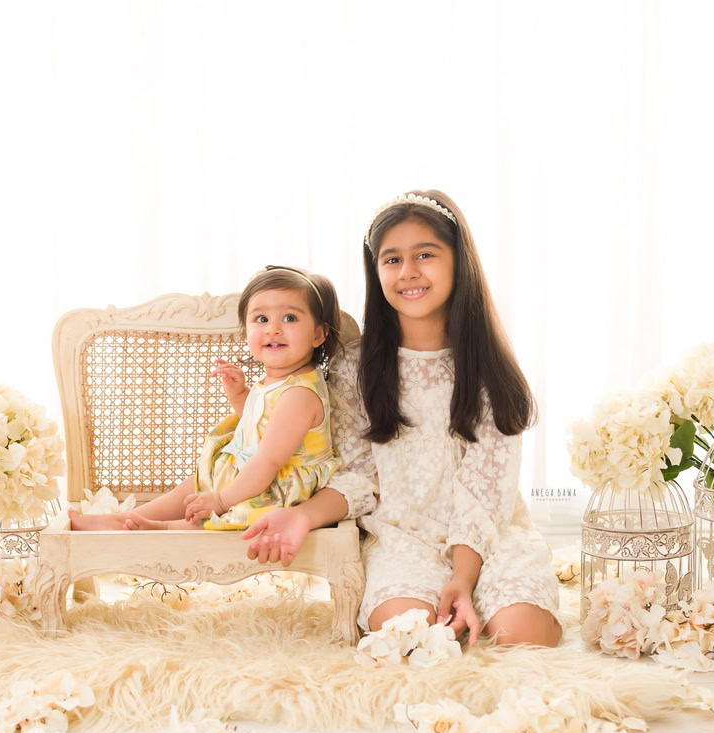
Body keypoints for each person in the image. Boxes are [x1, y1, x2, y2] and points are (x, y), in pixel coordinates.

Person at [241, 191, 562, 648]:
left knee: (524, 635)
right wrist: (300, 516)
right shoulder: (356, 367)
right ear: (376, 271)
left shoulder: (488, 367)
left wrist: (463, 581)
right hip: (400, 539)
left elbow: (485, 489)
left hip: (488, 536)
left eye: (425, 255)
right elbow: (359, 478)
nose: (408, 271)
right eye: (391, 259)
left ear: (459, 261)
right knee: (406, 636)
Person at [68, 265, 343, 532]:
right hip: (252, 473)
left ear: (318, 334)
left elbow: (269, 460)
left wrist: (221, 500)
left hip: (279, 488)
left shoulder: (299, 394)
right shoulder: (281, 379)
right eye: (261, 319)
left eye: (290, 318)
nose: (273, 329)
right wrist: (240, 394)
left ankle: (161, 527)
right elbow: (261, 422)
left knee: (225, 511)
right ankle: (129, 519)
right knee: (197, 484)